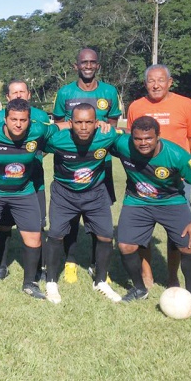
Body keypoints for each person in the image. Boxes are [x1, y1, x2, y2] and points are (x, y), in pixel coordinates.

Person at [0, 98, 65, 299]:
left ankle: (30, 283)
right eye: (14, 119)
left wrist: (97, 123)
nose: (18, 124)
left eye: (23, 120)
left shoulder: (38, 131)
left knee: (34, 238)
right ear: (5, 119)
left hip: (23, 192)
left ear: (29, 120)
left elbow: (61, 127)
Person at [111, 116, 191, 318]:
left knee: (189, 247)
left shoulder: (177, 155)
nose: (143, 143)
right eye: (138, 139)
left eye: (148, 138)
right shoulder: (123, 143)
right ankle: (139, 289)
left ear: (158, 137)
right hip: (137, 201)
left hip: (171, 202)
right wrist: (102, 124)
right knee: (125, 246)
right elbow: (110, 131)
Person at [127, 64, 191, 288]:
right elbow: (133, 140)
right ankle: (147, 273)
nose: (156, 84)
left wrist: (176, 164)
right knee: (143, 231)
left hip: (176, 180)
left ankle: (172, 276)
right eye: (151, 81)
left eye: (161, 80)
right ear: (145, 84)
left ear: (170, 82)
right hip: (143, 181)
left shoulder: (185, 104)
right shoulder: (136, 106)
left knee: (178, 232)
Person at [52, 48, 122, 284]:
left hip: (100, 163)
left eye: (93, 62)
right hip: (70, 162)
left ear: (98, 65)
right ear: (76, 66)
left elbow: (112, 126)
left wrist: (101, 126)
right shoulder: (65, 92)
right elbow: (59, 125)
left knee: (99, 216)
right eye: (84, 62)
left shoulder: (110, 92)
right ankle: (70, 262)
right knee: (69, 217)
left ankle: (97, 264)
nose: (88, 66)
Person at [42, 104, 123, 304]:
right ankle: (51, 281)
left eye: (89, 122)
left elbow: (133, 141)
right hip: (64, 194)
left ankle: (101, 281)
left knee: (105, 236)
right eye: (79, 122)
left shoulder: (107, 135)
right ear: (70, 123)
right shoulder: (57, 139)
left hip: (95, 194)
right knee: (55, 235)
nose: (84, 127)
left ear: (97, 123)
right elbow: (32, 141)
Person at [0, 79, 51, 281]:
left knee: (38, 225)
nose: (18, 96)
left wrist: (34, 155)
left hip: (34, 179)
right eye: (14, 93)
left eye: (22, 92)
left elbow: (47, 141)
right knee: (4, 225)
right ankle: (1, 265)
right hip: (6, 180)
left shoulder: (41, 117)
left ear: (29, 94)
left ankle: (38, 268)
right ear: (7, 97)